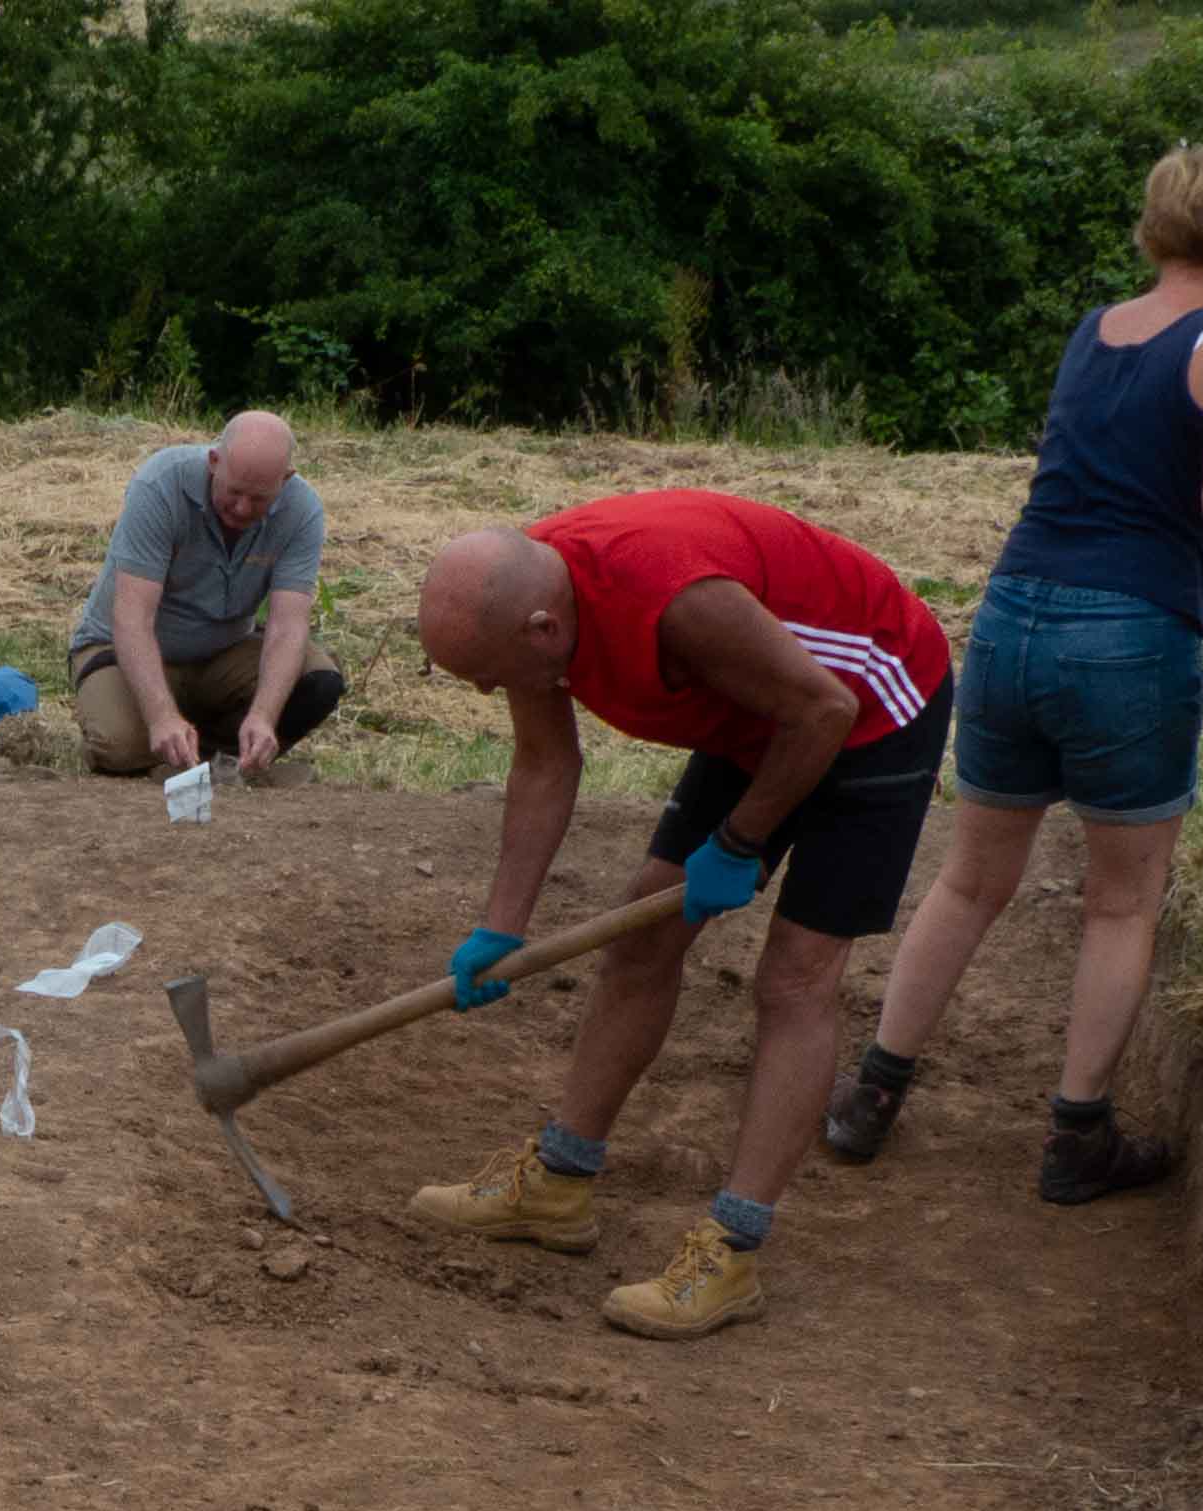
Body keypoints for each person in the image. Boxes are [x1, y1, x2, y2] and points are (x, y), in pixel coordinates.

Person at [823, 144, 1203, 1201]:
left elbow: (1127, 478)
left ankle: (870, 1097)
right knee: (1121, 903)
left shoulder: (1098, 329)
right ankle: (1077, 1138)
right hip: (1126, 640)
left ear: (1156, 228)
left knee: (969, 877)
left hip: (1012, 620)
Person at [406, 492, 953, 1339]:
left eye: (487, 672)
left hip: (873, 701)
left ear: (544, 630)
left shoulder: (673, 602)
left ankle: (733, 1250)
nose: (483, 687)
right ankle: (558, 1183)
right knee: (645, 932)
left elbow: (825, 711)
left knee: (795, 977)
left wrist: (740, 842)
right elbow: (546, 763)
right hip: (762, 709)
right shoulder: (525, 592)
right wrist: (501, 926)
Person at [68, 409, 347, 779]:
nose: (242, 508)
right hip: (121, 649)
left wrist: (264, 716)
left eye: (259, 499)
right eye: (234, 492)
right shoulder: (159, 485)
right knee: (119, 747)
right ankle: (166, 736)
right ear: (214, 462)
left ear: (285, 479)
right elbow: (132, 618)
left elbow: (288, 626)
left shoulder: (303, 511)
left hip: (224, 652)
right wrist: (161, 715)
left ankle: (215, 758)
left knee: (318, 682)